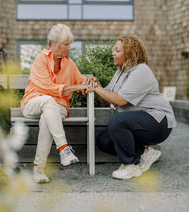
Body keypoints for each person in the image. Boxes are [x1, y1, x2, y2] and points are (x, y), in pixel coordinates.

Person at [87, 35, 176, 180]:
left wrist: (97, 88)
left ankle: (129, 166)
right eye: (113, 50)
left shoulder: (141, 71)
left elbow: (120, 100)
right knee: (103, 140)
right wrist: (97, 85)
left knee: (117, 121)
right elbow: (105, 98)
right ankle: (146, 152)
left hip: (158, 122)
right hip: (138, 121)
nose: (113, 53)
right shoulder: (120, 72)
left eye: (117, 50)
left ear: (129, 52)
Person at [21, 24, 89, 183]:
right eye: (66, 44)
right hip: (34, 102)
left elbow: (81, 82)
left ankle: (38, 168)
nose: (69, 48)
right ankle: (64, 148)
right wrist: (76, 86)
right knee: (48, 100)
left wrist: (89, 83)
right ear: (53, 43)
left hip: (58, 108)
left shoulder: (69, 63)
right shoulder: (41, 59)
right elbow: (47, 88)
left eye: (69, 44)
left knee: (47, 117)